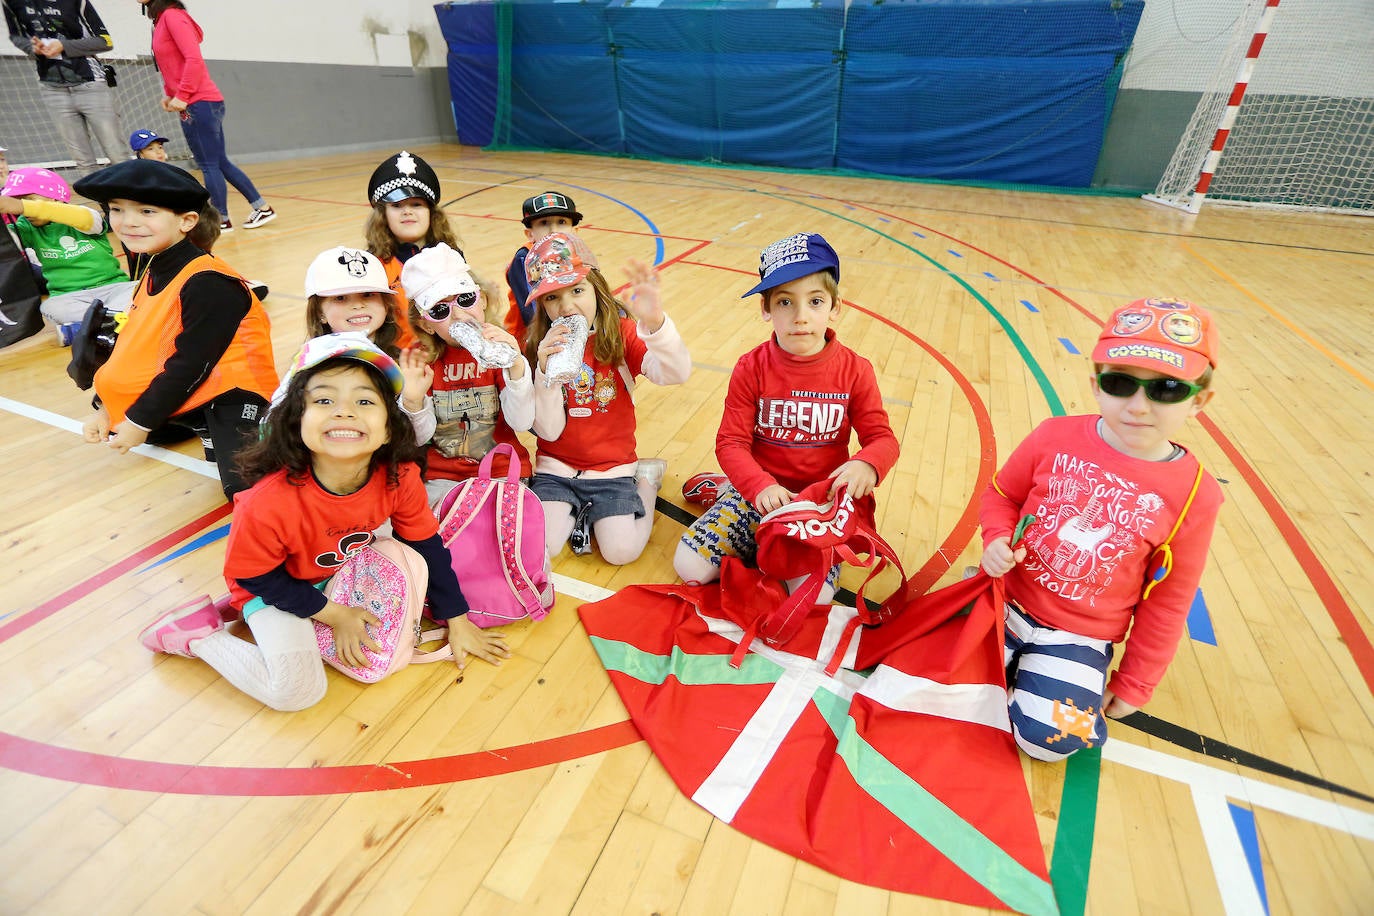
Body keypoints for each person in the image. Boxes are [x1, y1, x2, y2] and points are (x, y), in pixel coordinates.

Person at [135, 335, 511, 711]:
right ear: (295, 420)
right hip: (272, 587)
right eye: (324, 400)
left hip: (334, 569)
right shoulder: (266, 502)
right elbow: (255, 577)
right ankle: (198, 634)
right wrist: (335, 615)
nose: (344, 411)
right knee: (296, 692)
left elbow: (427, 545)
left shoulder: (400, 474)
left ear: (389, 427)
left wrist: (457, 619)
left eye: (364, 401)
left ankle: (239, 611)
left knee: (407, 555)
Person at [979, 297, 1223, 761]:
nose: (1139, 406)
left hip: (1080, 636)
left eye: (1167, 388)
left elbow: (1169, 601)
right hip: (1003, 600)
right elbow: (1002, 496)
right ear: (1096, 385)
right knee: (928, 669)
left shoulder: (1196, 495)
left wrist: (1135, 683)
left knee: (1050, 741)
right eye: (1119, 383)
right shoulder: (1053, 436)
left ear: (1199, 401)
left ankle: (1034, 681)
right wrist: (995, 538)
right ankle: (1010, 676)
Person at [673, 232, 899, 603]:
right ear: (765, 309)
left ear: (834, 306)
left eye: (814, 301)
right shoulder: (751, 367)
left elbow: (882, 439)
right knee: (689, 568)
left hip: (818, 504)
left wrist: (867, 466)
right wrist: (758, 486)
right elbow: (730, 442)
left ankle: (745, 512)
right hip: (759, 495)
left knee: (815, 600)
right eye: (784, 302)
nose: (800, 317)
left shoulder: (856, 371)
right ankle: (732, 492)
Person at [72, 158, 277, 498]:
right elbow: (135, 345)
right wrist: (107, 408)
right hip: (195, 384)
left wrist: (138, 422)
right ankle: (199, 423)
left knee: (248, 490)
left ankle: (237, 424)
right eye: (117, 210)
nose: (128, 222)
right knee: (132, 421)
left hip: (232, 391)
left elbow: (191, 364)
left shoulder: (209, 283)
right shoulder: (155, 265)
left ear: (187, 221)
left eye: (147, 211)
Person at [525, 232, 691, 564]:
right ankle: (580, 516)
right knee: (545, 545)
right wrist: (544, 373)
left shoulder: (622, 334)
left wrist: (656, 323)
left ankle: (646, 478)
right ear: (542, 306)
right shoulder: (538, 345)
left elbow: (675, 373)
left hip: (612, 468)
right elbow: (549, 430)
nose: (567, 306)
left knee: (620, 552)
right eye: (552, 298)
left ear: (597, 289)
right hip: (556, 467)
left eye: (577, 290)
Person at [401, 242, 535, 504]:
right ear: (426, 325)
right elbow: (420, 437)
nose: (460, 315)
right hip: (441, 477)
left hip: (502, 470)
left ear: (482, 299)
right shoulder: (420, 362)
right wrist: (413, 403)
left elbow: (521, 422)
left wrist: (517, 367)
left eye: (465, 299)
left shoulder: (503, 349)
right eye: (440, 310)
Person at [140, 0, 276, 232]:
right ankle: (262, 208)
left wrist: (182, 94)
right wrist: (169, 93)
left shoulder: (173, 16)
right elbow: (172, 64)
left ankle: (220, 220)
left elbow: (193, 58)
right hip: (196, 102)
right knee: (219, 161)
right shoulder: (160, 19)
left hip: (199, 102)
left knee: (208, 164)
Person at [364, 149, 502, 349]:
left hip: (449, 353)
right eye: (397, 205)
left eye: (417, 204)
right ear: (382, 215)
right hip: (401, 359)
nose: (408, 211)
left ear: (432, 213)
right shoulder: (373, 265)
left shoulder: (451, 256)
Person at [301, 245, 432, 443]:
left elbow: (419, 439)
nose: (357, 305)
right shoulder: (309, 362)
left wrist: (413, 402)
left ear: (387, 304)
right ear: (319, 313)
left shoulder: (400, 364)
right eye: (340, 298)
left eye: (368, 294)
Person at [0, 166, 134, 344]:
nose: (23, 209)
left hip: (112, 287)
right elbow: (9, 245)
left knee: (138, 291)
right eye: (17, 202)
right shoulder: (25, 226)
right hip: (68, 295)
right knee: (49, 307)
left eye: (28, 199)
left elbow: (86, 220)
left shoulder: (83, 215)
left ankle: (83, 328)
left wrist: (24, 206)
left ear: (54, 196)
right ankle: (114, 323)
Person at [4, 0, 125, 174]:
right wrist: (32, 48)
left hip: (90, 82)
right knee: (83, 161)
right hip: (52, 88)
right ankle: (103, 202)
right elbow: (16, 36)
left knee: (118, 155)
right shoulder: (12, 3)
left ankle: (132, 199)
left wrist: (64, 46)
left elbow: (105, 41)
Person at [505, 190, 582, 341]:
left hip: (567, 329)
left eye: (562, 222)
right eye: (544, 223)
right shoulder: (524, 260)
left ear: (575, 231)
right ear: (530, 234)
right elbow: (532, 314)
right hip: (529, 340)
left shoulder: (577, 254)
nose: (553, 230)